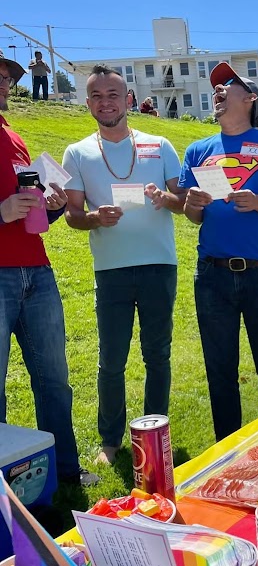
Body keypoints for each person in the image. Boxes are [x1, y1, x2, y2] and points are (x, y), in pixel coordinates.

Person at [63, 65, 185, 465]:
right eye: (97, 96)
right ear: (88, 104)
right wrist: (95, 218)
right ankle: (111, 441)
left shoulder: (159, 145)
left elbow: (183, 202)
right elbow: (72, 215)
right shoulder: (77, 152)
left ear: (128, 100)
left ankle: (155, 433)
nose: (106, 103)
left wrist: (166, 199)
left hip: (158, 265)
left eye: (113, 95)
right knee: (112, 359)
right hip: (111, 270)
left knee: (157, 354)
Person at [180, 63, 258, 442]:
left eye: (228, 85)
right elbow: (194, 216)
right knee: (220, 372)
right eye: (216, 87)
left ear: (250, 98)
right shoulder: (198, 150)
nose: (218, 90)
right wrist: (193, 204)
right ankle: (227, 453)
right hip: (211, 275)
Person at [0, 51, 97, 487]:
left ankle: (65, 471)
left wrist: (52, 206)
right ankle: (4, 487)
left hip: (37, 272)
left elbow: (31, 213)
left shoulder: (14, 136)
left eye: (7, 76)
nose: (4, 81)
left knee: (54, 380)